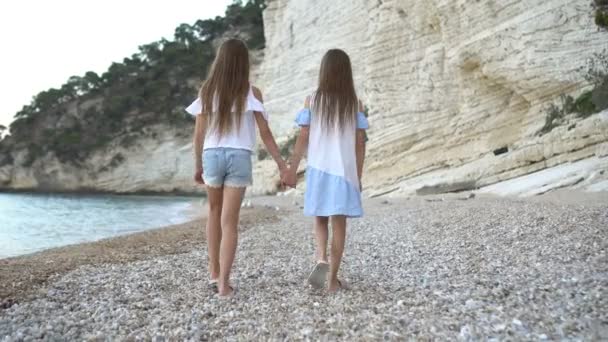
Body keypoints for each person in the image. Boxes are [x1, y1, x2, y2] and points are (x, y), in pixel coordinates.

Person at [187, 38, 287, 297]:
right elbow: (265, 133)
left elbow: (199, 134)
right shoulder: (252, 92)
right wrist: (281, 163)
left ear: (219, 60)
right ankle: (224, 284)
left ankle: (214, 272)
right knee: (229, 221)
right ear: (244, 63)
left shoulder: (207, 91)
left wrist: (198, 165)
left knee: (213, 213)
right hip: (239, 156)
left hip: (212, 155)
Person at [283, 49, 369, 292]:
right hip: (344, 172)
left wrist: (293, 167)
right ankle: (332, 280)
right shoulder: (355, 104)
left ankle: (320, 257)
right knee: (339, 223)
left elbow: (303, 136)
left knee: (320, 219)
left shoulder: (312, 101)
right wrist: (358, 176)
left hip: (319, 169)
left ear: (324, 71)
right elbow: (360, 144)